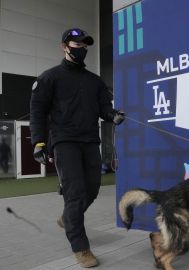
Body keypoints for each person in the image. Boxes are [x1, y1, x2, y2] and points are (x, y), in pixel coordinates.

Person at [29, 28, 125, 268]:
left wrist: (113, 116)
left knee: (92, 189)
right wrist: (38, 142)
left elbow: (104, 108)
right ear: (64, 46)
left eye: (84, 45)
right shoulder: (49, 78)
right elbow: (37, 112)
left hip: (90, 141)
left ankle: (67, 219)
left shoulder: (94, 81)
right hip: (64, 142)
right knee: (75, 193)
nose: (81, 48)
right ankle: (80, 247)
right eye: (76, 44)